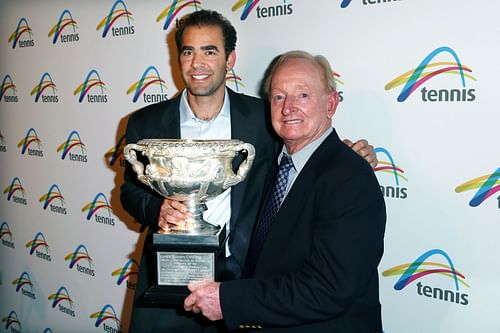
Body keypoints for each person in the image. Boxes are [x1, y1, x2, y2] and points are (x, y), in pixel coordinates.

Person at [120, 10, 377, 333]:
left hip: (241, 282)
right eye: (188, 51)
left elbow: (307, 151)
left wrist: (352, 155)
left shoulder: (264, 118)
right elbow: (129, 192)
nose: (197, 63)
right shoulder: (144, 122)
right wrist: (157, 208)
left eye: (210, 51)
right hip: (168, 276)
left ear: (230, 60)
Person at [183, 50, 387, 332]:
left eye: (302, 95)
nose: (288, 107)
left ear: (331, 103)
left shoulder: (350, 178)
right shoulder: (276, 166)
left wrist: (228, 300)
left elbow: (328, 289)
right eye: (278, 96)